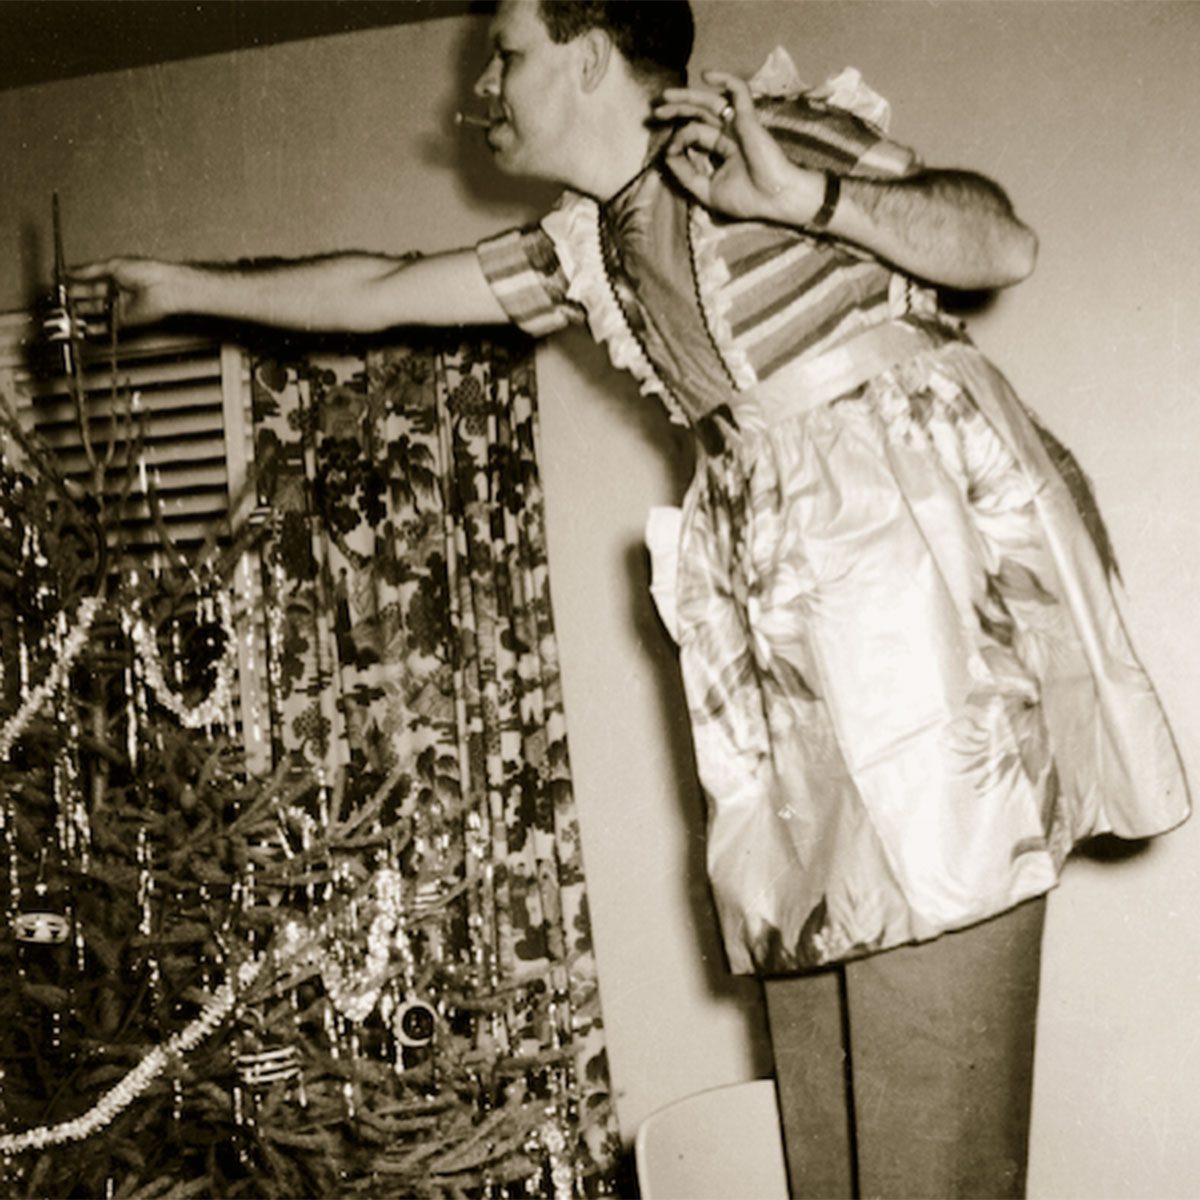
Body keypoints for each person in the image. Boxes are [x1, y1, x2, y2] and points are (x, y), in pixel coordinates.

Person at [69, 2, 1190, 1196]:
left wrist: (806, 203)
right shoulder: (587, 246)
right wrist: (180, 285)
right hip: (790, 657)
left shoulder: (761, 137)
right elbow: (379, 287)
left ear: (591, 53)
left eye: (507, 55)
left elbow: (997, 243)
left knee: (938, 1121)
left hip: (915, 632)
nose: (485, 88)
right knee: (835, 1124)